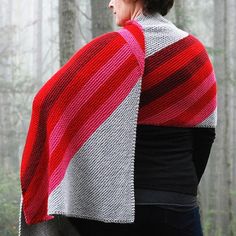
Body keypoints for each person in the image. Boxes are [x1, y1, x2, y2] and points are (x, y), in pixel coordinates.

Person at [19, 0, 217, 235]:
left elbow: (47, 101)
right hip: (178, 206)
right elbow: (204, 137)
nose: (110, 4)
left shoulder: (113, 48)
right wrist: (180, 188)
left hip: (116, 216)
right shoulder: (194, 52)